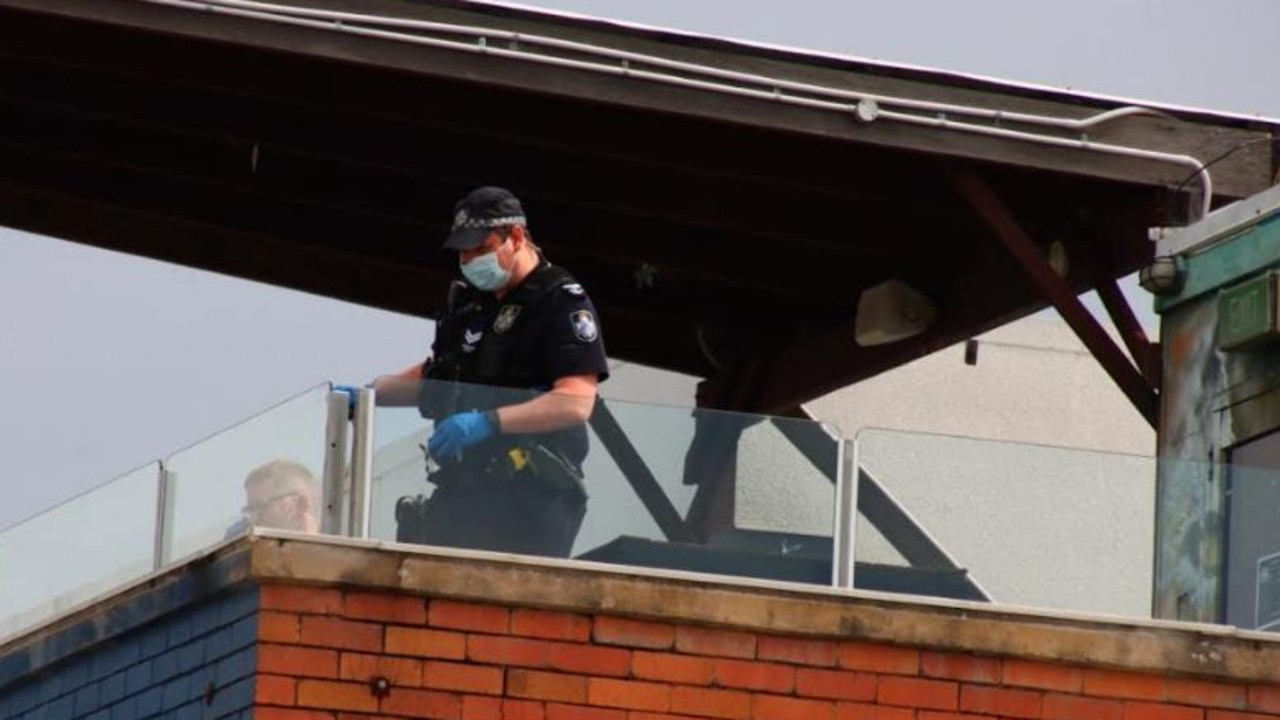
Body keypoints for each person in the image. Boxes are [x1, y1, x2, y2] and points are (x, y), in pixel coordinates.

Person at [369, 186, 609, 558]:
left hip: (528, 496)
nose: (470, 259)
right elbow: (440, 373)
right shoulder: (472, 305)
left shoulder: (558, 300)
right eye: (464, 251)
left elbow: (575, 402)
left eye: (481, 249)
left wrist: (488, 422)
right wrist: (369, 395)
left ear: (516, 237)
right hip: (463, 488)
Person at [236, 459, 322, 534]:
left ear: (300, 504)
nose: (254, 519)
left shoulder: (331, 551)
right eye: (251, 509)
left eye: (262, 506)